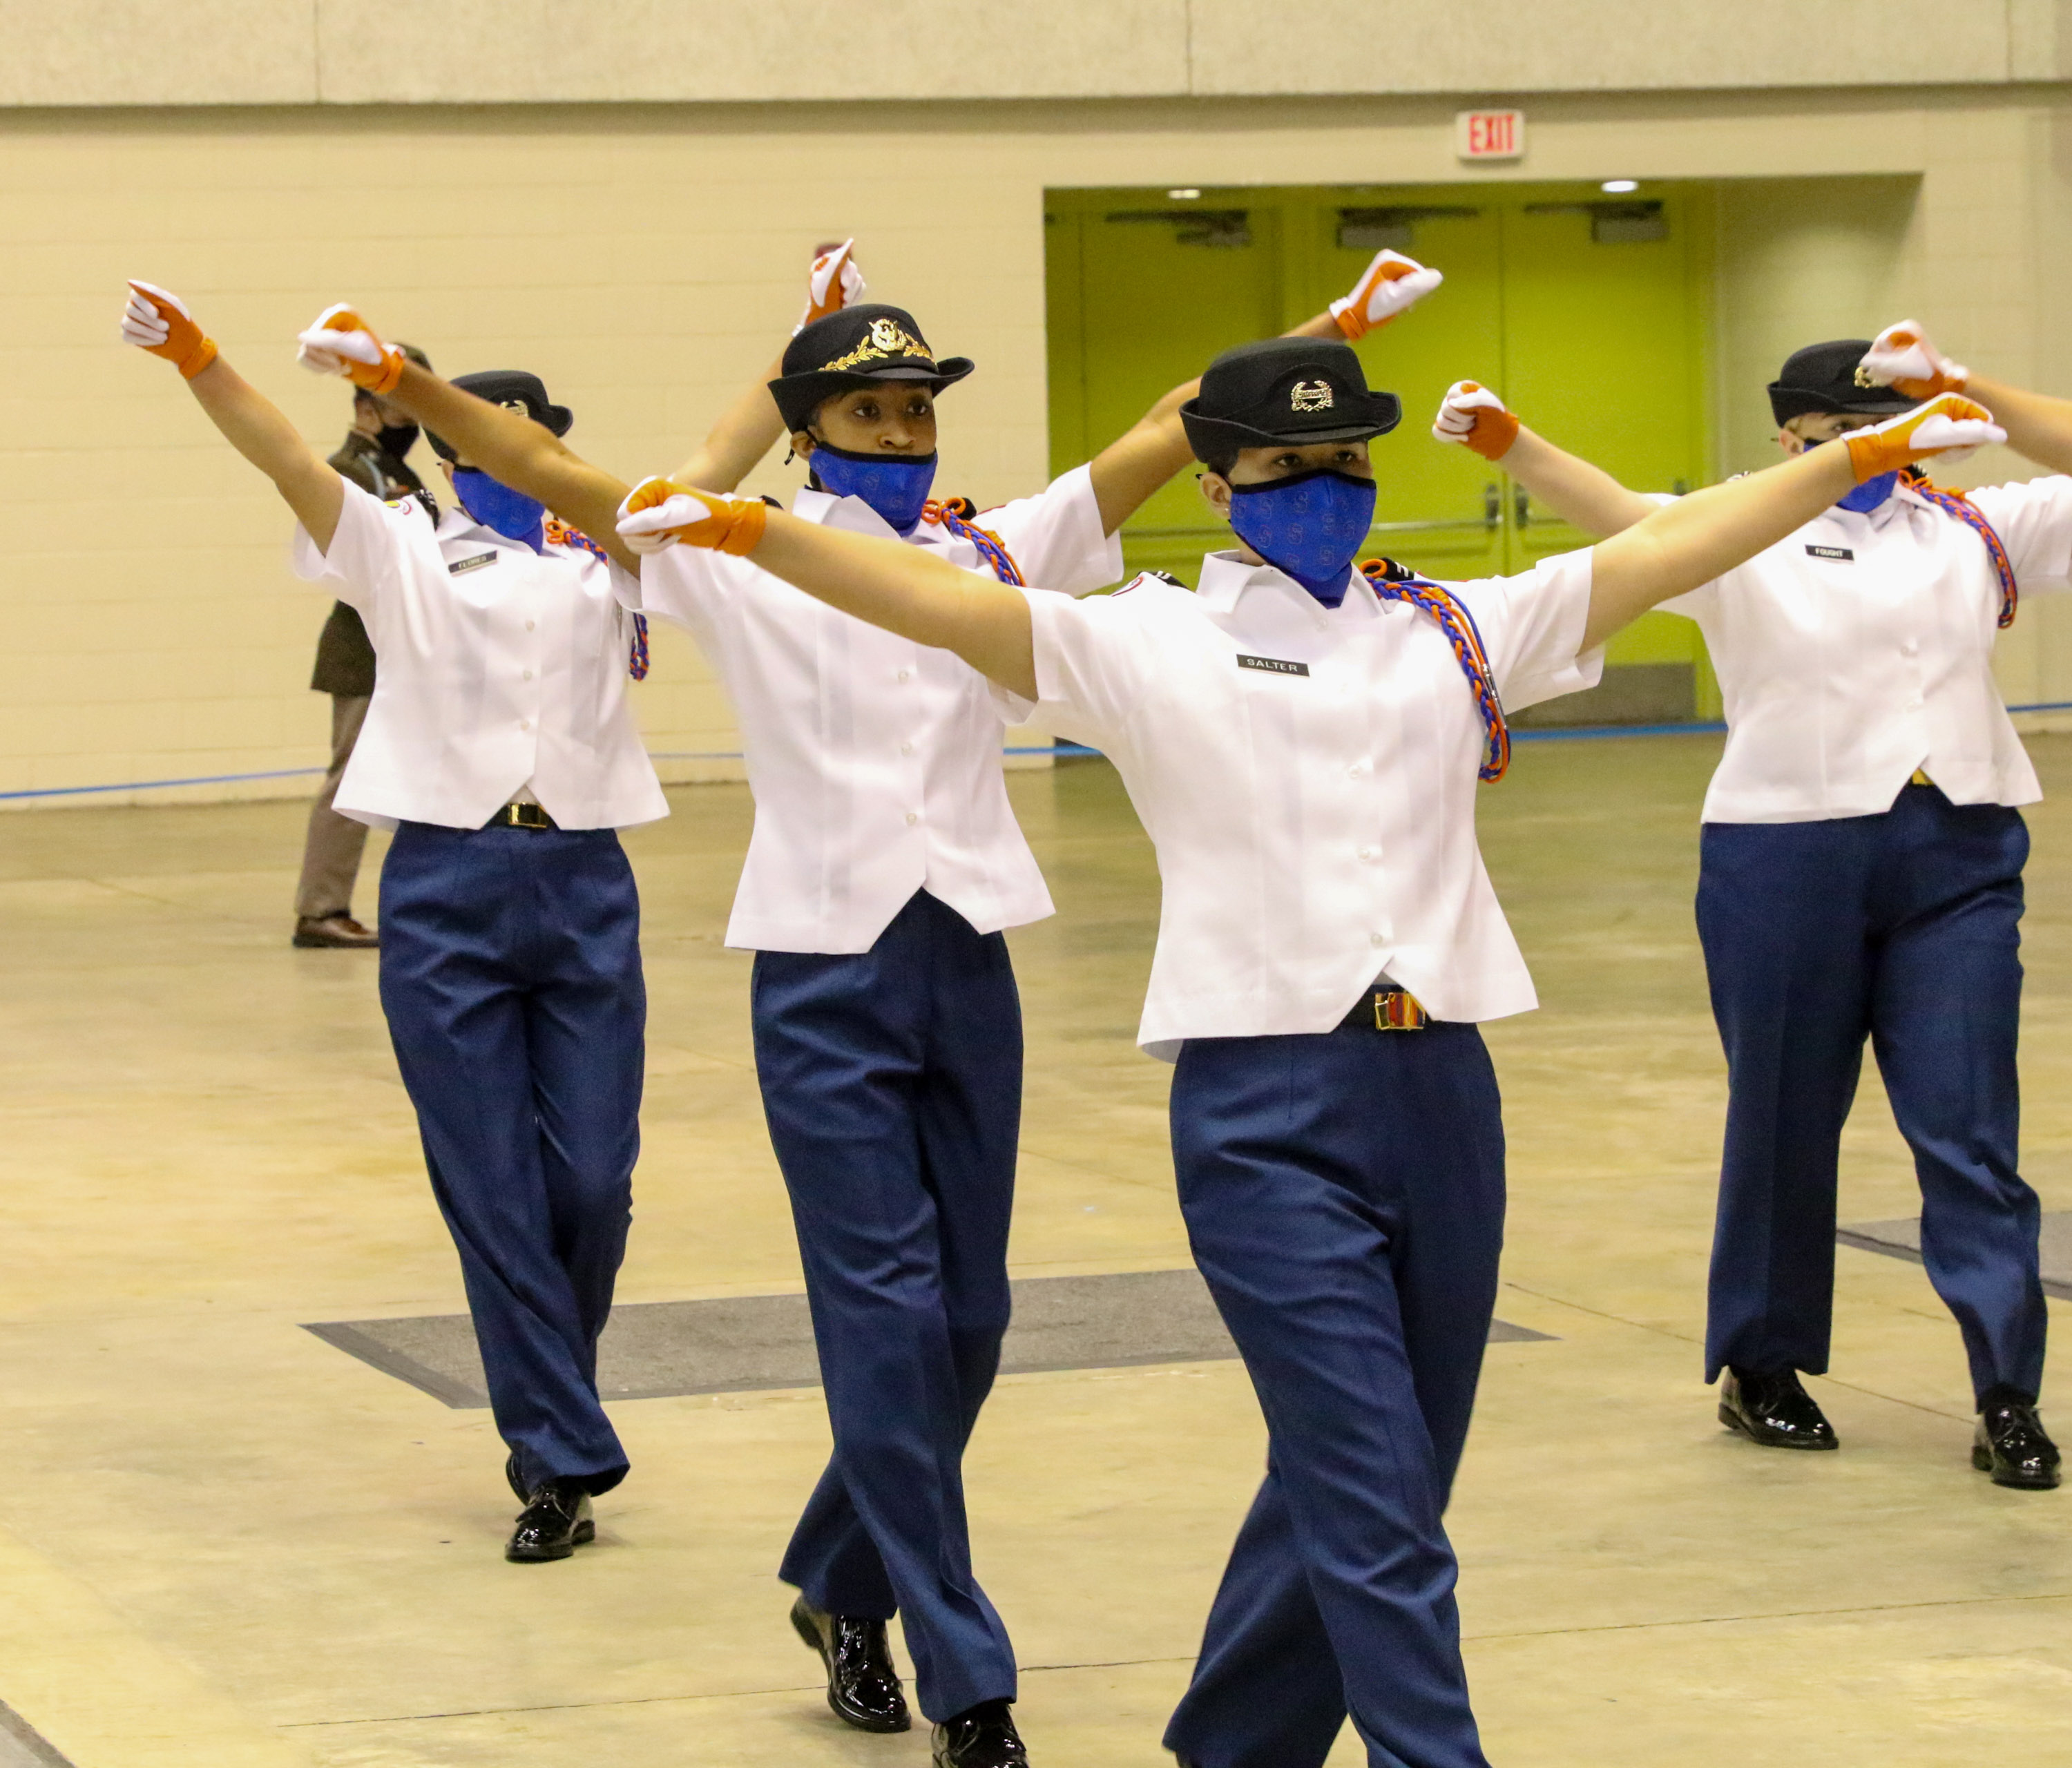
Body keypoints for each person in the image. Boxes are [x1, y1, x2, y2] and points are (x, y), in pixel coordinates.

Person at [611, 337, 2001, 1768]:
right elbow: (933, 599)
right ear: (1221, 488)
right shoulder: (1144, 639)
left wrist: (1856, 458)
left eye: (1348, 460)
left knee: (1388, 1470)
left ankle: (1232, 1742)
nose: (1325, 485)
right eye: (1287, 465)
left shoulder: (1456, 627)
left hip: (1446, 1093)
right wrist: (750, 529)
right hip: (1265, 1111)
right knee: (1375, 1494)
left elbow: (1661, 551)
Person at [295, 247, 1444, 1768]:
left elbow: (1175, 425)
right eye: (875, 412)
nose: (905, 436)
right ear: (812, 425)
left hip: (966, 952)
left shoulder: (996, 549)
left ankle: (839, 1574)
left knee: (970, 1319)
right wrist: (407, 388)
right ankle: (965, 1667)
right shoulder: (732, 546)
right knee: (885, 1319)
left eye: (920, 412)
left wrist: (1329, 334)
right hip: (825, 971)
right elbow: (550, 469)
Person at [1433, 324, 2069, 1491]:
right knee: (1783, 1117)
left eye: (1900, 430)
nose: (1884, 452)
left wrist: (1968, 387)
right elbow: (1627, 518)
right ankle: (1764, 1364)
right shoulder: (1751, 529)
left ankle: (2006, 1389)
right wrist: (1515, 445)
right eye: (1855, 433)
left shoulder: (1974, 527)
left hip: (1957, 852)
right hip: (1785, 853)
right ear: (1795, 438)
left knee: (1970, 1127)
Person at [121, 278, 671, 1564]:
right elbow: (281, 458)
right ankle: (554, 1456)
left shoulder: (618, 568)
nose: (523, 465)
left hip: (588, 883)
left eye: (542, 447)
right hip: (447, 886)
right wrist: (202, 359)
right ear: (456, 453)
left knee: (591, 1181)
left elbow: (721, 475)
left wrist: (790, 349)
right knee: (489, 1183)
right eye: (493, 443)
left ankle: (555, 1412)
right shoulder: (403, 548)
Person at [294, 346, 434, 950]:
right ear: (368, 405)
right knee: (350, 779)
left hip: (404, 648)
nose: (414, 421)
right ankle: (321, 909)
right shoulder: (351, 471)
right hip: (363, 648)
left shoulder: (390, 469)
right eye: (403, 405)